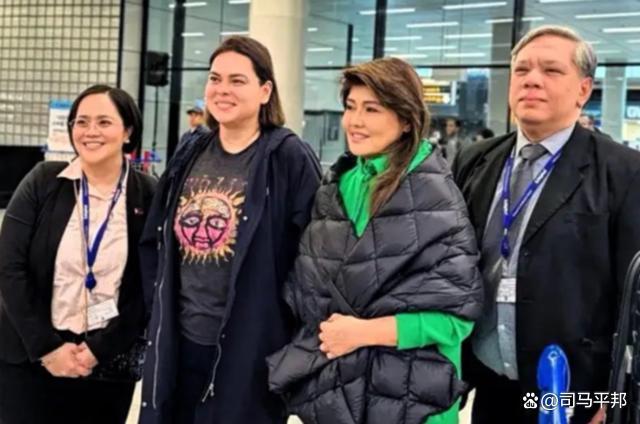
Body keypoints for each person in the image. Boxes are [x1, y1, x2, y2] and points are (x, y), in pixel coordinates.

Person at [267, 57, 483, 424]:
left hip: (413, 399)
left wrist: (363, 333)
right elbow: (309, 288)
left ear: (405, 119)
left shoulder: (436, 197)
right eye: (350, 107)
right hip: (339, 391)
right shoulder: (338, 184)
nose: (355, 121)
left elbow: (455, 318)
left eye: (371, 109)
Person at [452, 25, 640, 424]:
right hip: (489, 383)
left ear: (583, 90)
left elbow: (635, 296)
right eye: (521, 70)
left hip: (573, 393)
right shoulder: (476, 160)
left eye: (551, 71)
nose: (532, 80)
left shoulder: (624, 172)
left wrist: (614, 397)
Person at [138, 36, 321, 424]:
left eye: (237, 80)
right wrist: (157, 312)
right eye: (215, 78)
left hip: (250, 351)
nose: (222, 90)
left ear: (265, 90)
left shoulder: (288, 157)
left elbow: (313, 262)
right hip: (179, 344)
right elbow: (155, 239)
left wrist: (289, 340)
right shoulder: (191, 150)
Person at [0, 84, 156, 424]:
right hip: (31, 358)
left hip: (108, 364)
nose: (90, 131)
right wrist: (47, 348)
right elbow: (9, 268)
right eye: (81, 122)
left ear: (128, 131)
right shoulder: (44, 181)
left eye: (104, 122)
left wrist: (101, 349)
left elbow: (148, 285)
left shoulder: (148, 194)